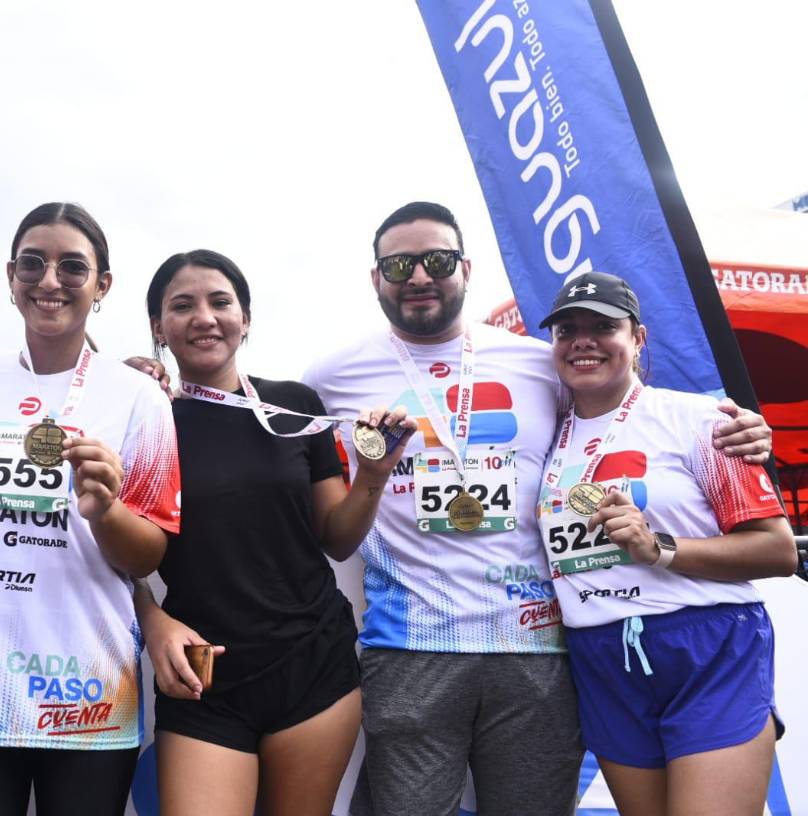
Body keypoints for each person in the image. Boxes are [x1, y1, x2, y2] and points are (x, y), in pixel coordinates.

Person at [302, 201, 773, 816]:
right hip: (412, 647)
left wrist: (740, 430)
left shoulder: (538, 364)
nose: (418, 276)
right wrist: (152, 377)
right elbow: (257, 417)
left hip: (538, 651)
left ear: (465, 270)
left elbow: (622, 413)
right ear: (376, 279)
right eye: (399, 264)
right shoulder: (328, 378)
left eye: (437, 260)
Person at [132, 249, 416, 816]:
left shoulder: (295, 406)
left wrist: (374, 475)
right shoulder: (144, 417)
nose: (204, 317)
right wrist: (152, 618)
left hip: (312, 664)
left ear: (246, 318)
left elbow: (335, 537)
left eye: (220, 302)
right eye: (182, 306)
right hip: (203, 675)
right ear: (158, 328)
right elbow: (109, 548)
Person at [0, 203, 182, 816]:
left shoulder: (140, 398)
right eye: (33, 263)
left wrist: (106, 511)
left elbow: (151, 549)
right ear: (11, 277)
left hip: (88, 692)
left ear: (102, 285)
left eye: (72, 266)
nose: (49, 280)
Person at [535, 271, 796, 816]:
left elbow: (778, 550)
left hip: (707, 644)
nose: (583, 340)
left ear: (638, 339)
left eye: (603, 326)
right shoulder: (542, 434)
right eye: (567, 330)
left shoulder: (700, 420)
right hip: (600, 655)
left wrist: (660, 547)